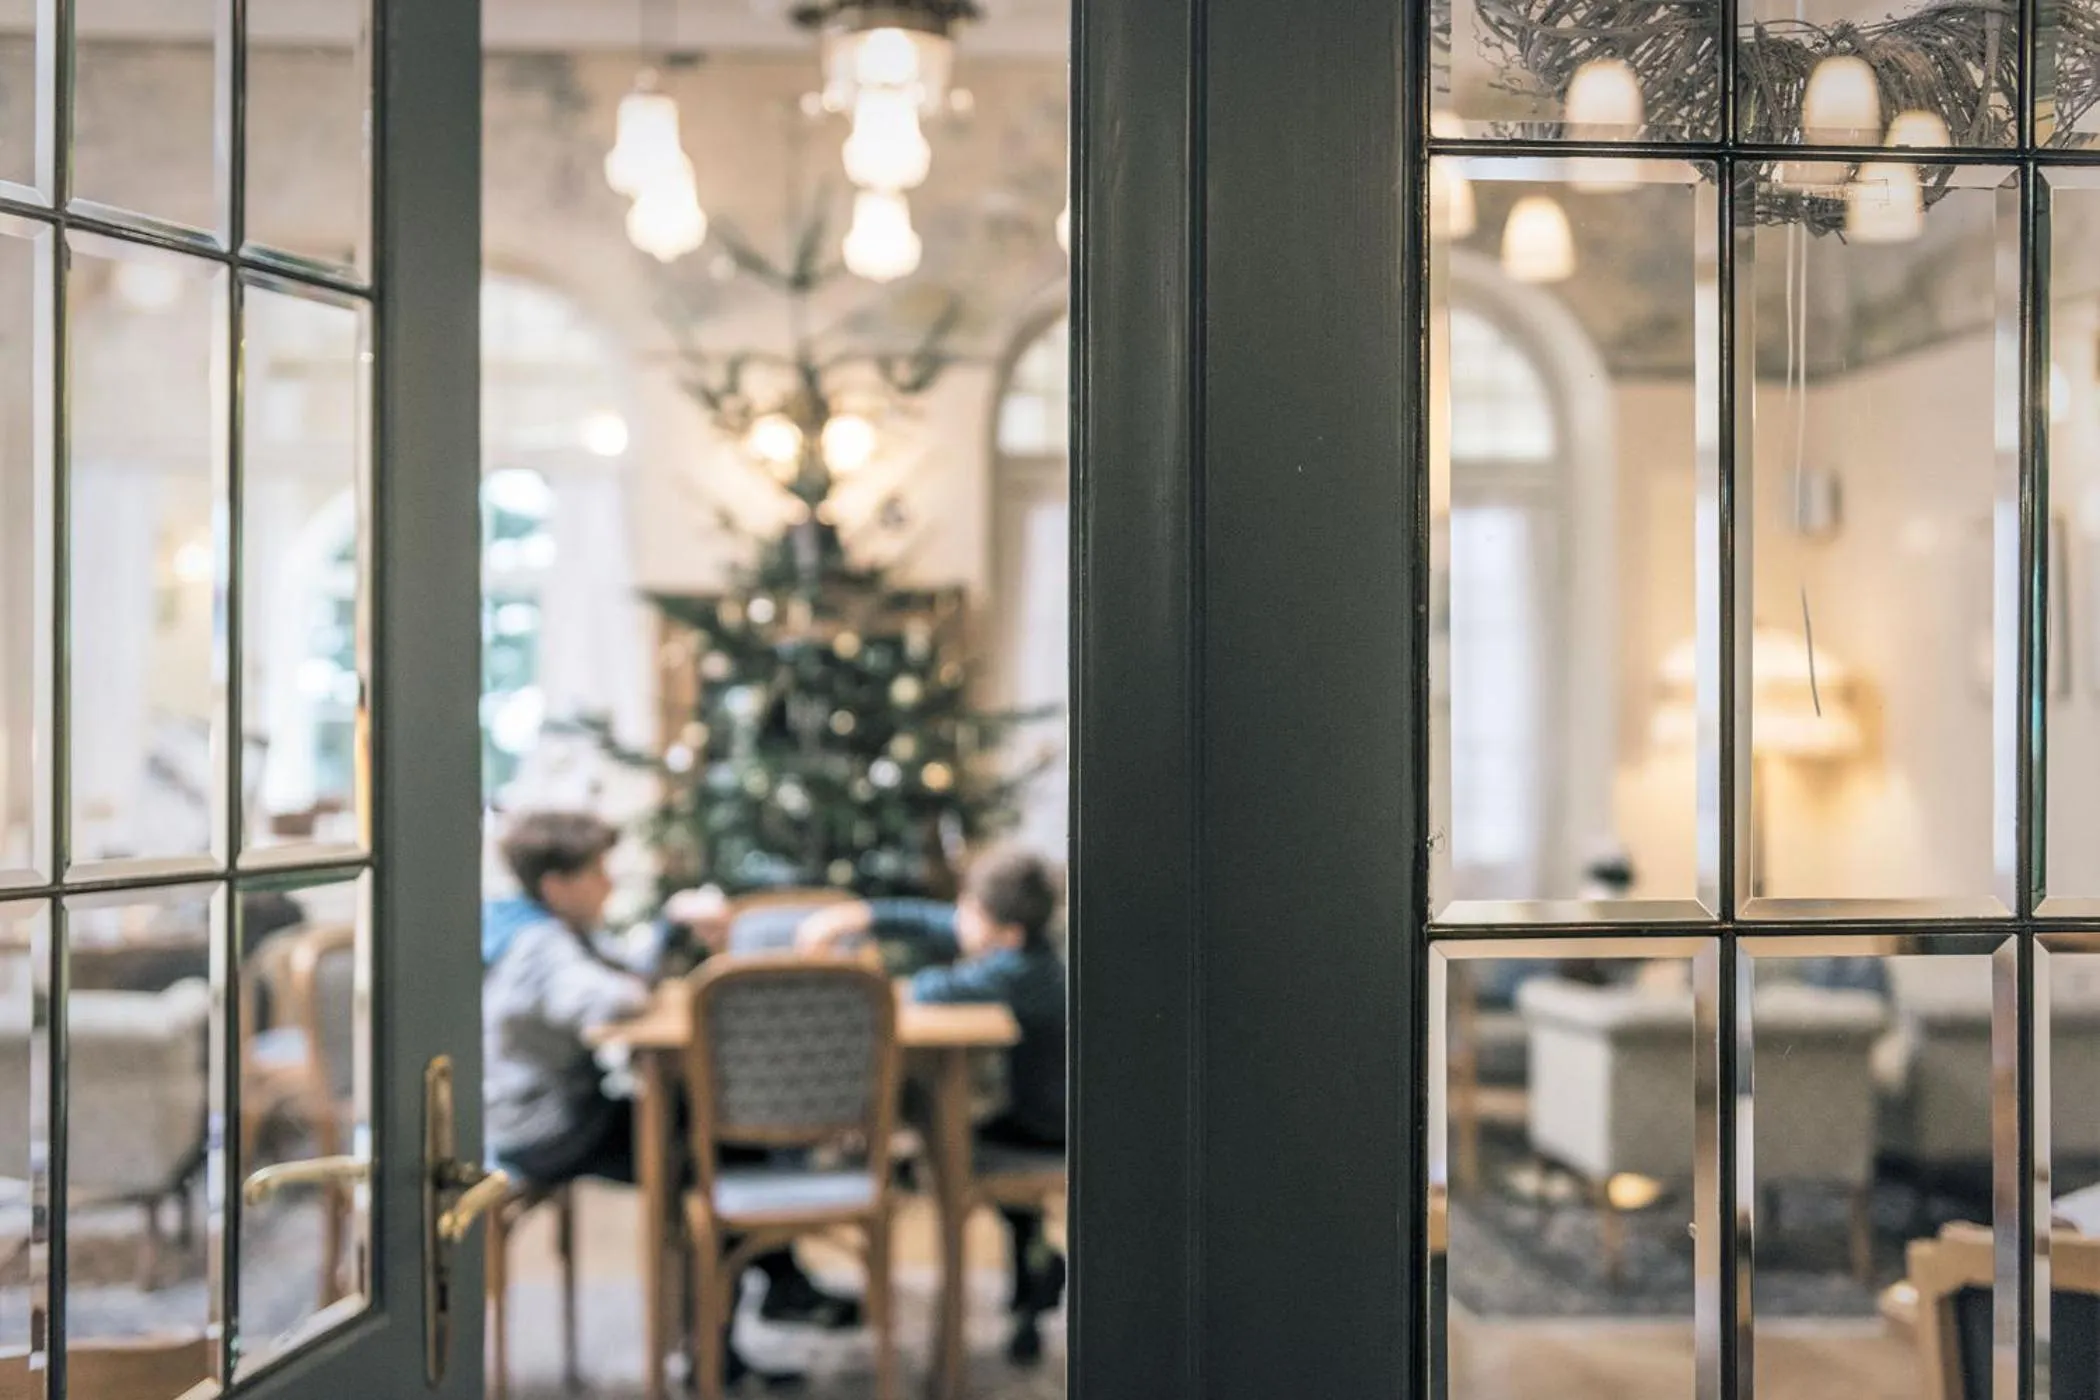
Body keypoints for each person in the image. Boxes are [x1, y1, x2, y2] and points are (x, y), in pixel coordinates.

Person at [481, 810, 856, 1388]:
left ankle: (767, 1296)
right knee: (715, 1145)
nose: (608, 883)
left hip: (548, 1110)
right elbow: (610, 1001)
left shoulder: (540, 926)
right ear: (557, 885)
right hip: (544, 1125)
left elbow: (627, 969)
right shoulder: (538, 944)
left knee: (714, 1134)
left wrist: (666, 928)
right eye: (597, 872)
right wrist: (640, 977)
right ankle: (731, 1336)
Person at [795, 846, 1068, 1365]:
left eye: (969, 910)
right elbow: (931, 921)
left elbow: (933, 988)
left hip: (1049, 1126)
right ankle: (1035, 1278)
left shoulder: (1021, 971)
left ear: (1007, 934)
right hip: (1037, 1115)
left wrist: (864, 967)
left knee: (946, 1145)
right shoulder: (1025, 949)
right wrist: (856, 917)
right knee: (962, 1142)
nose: (956, 916)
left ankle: (1033, 1277)